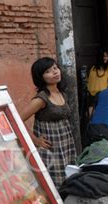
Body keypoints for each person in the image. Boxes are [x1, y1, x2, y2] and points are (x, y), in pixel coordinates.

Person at [19, 57, 77, 187]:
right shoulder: (41, 98)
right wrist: (35, 140)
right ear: (41, 77)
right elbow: (17, 120)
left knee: (69, 178)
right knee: (54, 183)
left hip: (66, 145)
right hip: (51, 149)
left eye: (55, 68)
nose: (55, 72)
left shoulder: (62, 94)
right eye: (48, 71)